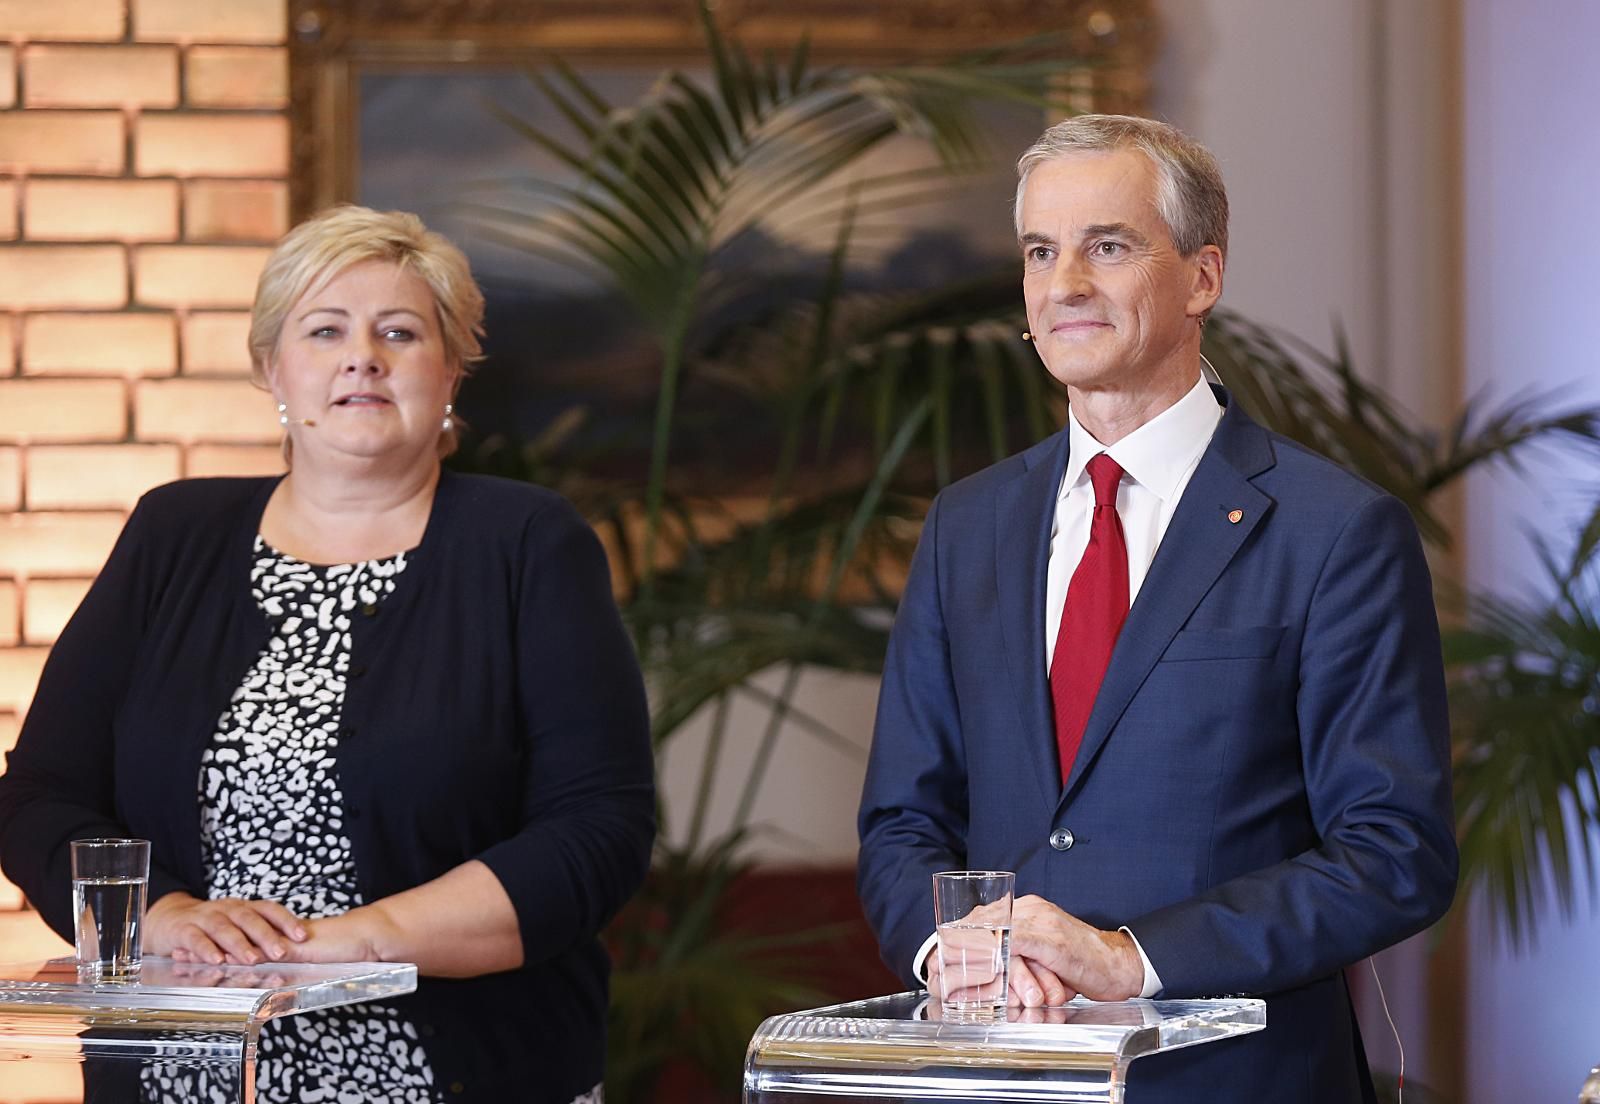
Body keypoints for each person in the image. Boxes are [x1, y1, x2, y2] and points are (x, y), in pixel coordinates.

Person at [856, 115, 1457, 1101]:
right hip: (1007, 1078)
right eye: (1040, 252)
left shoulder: (1336, 531)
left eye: (1107, 247)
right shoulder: (966, 526)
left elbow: (1394, 853)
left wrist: (1129, 959)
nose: (1064, 284)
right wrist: (947, 951)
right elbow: (901, 820)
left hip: (1239, 1081)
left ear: (1202, 277)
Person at [0, 205, 655, 1104]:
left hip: (458, 1074)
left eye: (400, 332)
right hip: (175, 1075)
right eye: (325, 330)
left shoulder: (528, 543)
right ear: (272, 367)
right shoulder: (172, 533)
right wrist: (162, 916)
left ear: (451, 370)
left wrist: (350, 943)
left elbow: (597, 831)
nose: (363, 358)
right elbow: (39, 799)